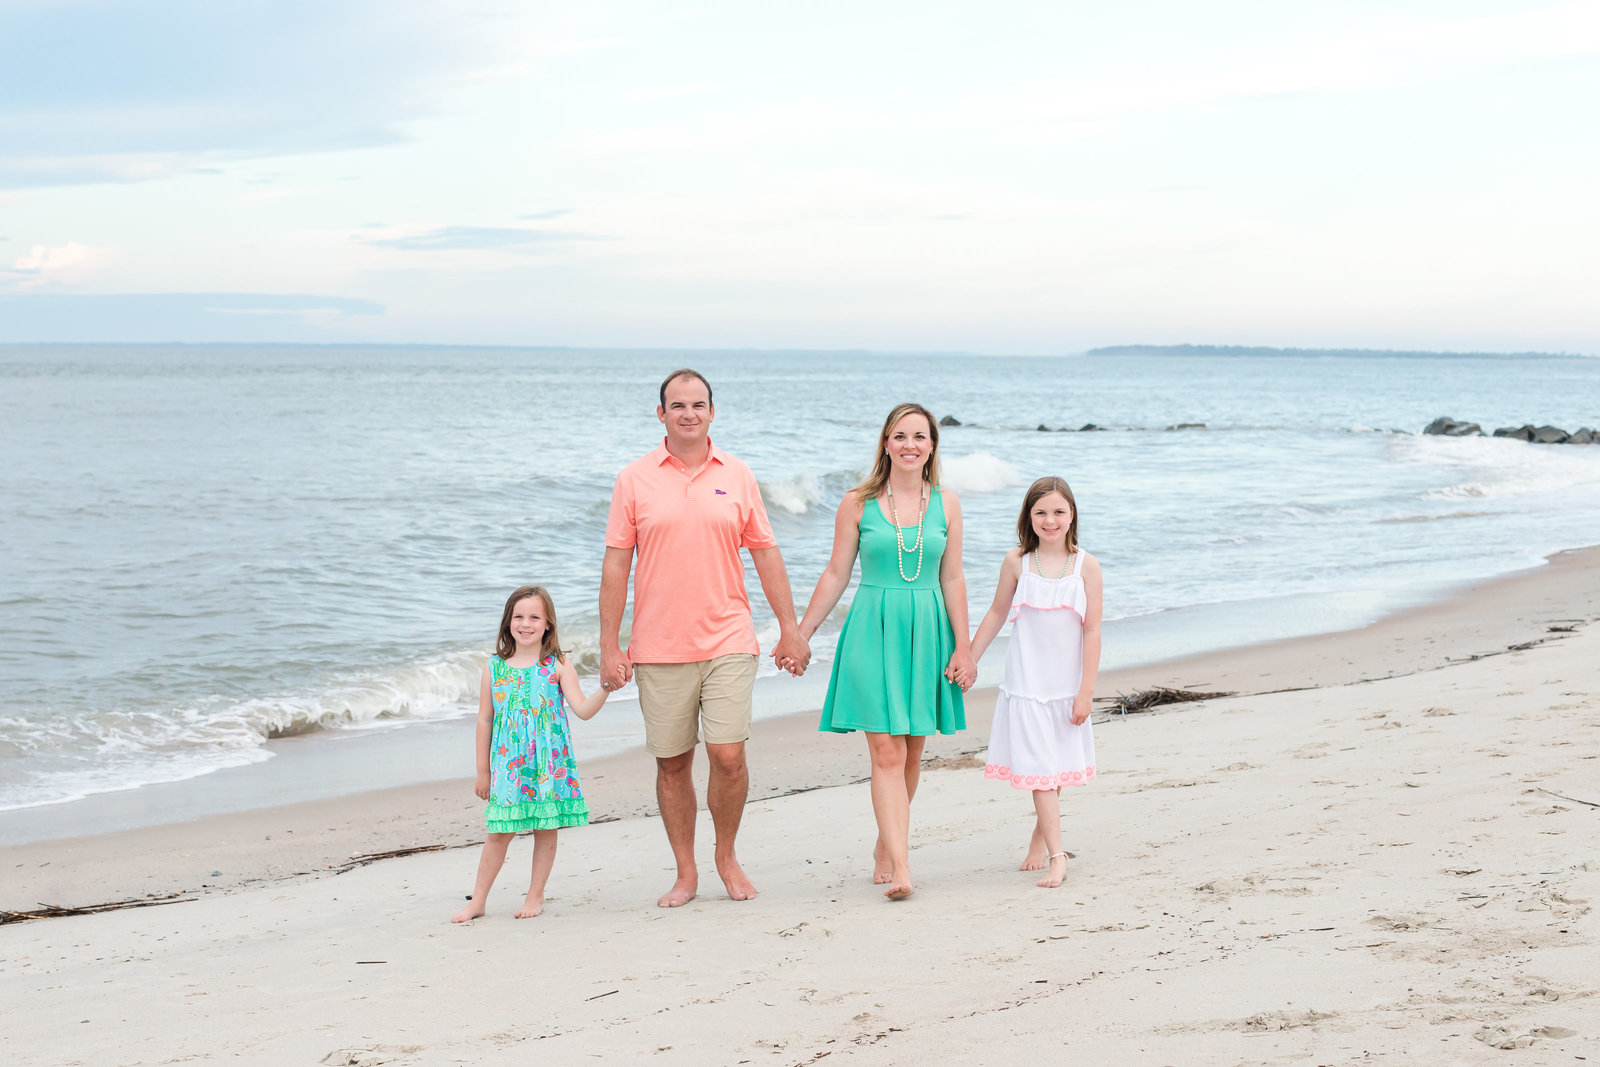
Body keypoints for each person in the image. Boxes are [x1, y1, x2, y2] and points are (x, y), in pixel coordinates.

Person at [600, 368, 810, 908]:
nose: (688, 413)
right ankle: (686, 871)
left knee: (727, 754)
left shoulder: (737, 475)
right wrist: (610, 644)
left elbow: (765, 552)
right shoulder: (634, 479)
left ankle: (726, 854)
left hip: (728, 636)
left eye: (698, 404)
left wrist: (789, 628)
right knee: (672, 762)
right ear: (661, 414)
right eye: (677, 405)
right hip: (659, 643)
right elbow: (617, 564)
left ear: (712, 412)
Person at [797, 402, 974, 900]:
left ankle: (884, 844)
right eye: (899, 436)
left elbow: (954, 577)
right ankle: (902, 866)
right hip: (871, 630)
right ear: (885, 443)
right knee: (886, 751)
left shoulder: (948, 503)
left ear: (933, 446)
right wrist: (801, 633)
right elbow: (836, 574)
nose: (909, 445)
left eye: (919, 436)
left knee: (912, 751)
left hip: (928, 630)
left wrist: (965, 646)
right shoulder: (857, 502)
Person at [969, 476, 1102, 889]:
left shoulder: (1086, 566)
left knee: (1055, 770)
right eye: (1041, 512)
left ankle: (1040, 840)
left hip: (1066, 688)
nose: (1050, 520)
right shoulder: (1017, 562)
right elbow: (995, 613)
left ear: (1072, 515)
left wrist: (1086, 692)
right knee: (1043, 772)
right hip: (1027, 685)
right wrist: (968, 659)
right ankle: (1058, 858)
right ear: (1028, 516)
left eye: (1059, 512)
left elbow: (1093, 631)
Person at [452, 585, 609, 922]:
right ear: (508, 622)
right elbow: (484, 720)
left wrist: (606, 687)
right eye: (518, 616)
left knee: (545, 827)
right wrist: (482, 772)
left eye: (534, 617)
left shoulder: (557, 664)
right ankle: (478, 900)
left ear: (548, 623)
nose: (526, 623)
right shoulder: (494, 668)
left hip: (548, 765)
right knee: (499, 832)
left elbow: (582, 709)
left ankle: (535, 895)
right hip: (508, 765)